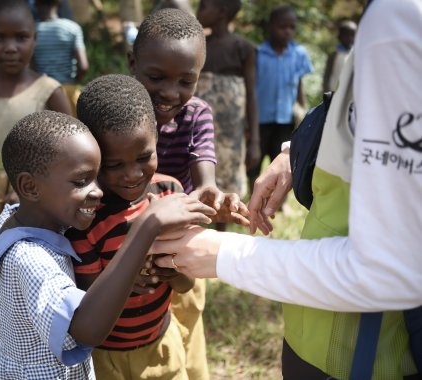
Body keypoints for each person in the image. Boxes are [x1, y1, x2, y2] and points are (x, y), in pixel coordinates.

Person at [150, 0, 422, 378]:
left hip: (368, 346)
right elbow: (366, 110)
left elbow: (391, 268)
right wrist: (299, 149)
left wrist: (227, 253)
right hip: (317, 310)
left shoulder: (403, 16)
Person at [0, 110, 215, 379]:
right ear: (30, 187)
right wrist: (144, 228)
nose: (98, 191)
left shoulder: (16, 216)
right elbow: (87, 330)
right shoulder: (30, 259)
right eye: (81, 181)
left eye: (97, 176)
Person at [63, 74, 194, 379]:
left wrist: (174, 271)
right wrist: (125, 277)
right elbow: (88, 306)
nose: (132, 174)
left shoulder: (170, 195)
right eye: (114, 164)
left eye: (144, 157)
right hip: (105, 359)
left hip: (162, 346)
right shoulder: (85, 219)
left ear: (157, 138)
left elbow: (188, 285)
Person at [127, 8, 220, 379]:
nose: (170, 92)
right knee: (140, 332)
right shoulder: (116, 112)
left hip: (178, 245)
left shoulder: (196, 113)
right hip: (125, 241)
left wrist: (210, 189)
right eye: (156, 77)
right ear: (132, 63)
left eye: (186, 80)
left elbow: (204, 163)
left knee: (186, 320)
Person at [0, 0, 71, 211]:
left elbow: (70, 153)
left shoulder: (49, 92)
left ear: (34, 39)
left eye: (21, 37)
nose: (10, 48)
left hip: (37, 197)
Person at [195, 0, 260, 231]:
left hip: (231, 135)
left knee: (227, 180)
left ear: (221, 12)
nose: (199, 11)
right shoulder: (198, 46)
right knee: (201, 174)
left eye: (204, 6)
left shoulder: (243, 48)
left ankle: (221, 230)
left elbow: (251, 95)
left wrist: (254, 140)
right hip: (201, 131)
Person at [246, 4, 313, 195]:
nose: (287, 31)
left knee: (283, 158)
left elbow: (299, 83)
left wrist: (303, 108)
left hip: (286, 119)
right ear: (270, 27)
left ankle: (279, 201)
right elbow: (251, 88)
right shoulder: (258, 54)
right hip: (261, 118)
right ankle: (253, 193)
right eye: (282, 26)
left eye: (291, 27)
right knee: (255, 161)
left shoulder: (299, 54)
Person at [32, 0, 88, 115]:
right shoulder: (72, 28)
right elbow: (83, 66)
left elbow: (31, 67)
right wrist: (73, 82)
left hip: (42, 93)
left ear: (36, 5)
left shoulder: (31, 32)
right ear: (59, 4)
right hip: (68, 90)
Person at [323, 19, 357, 93]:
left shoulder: (356, 55)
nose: (350, 38)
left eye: (352, 35)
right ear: (340, 36)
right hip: (334, 93)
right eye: (346, 35)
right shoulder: (334, 55)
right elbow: (327, 76)